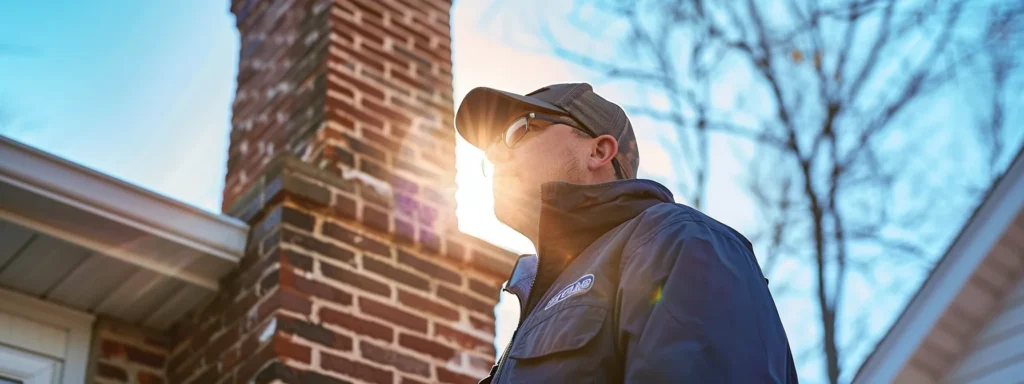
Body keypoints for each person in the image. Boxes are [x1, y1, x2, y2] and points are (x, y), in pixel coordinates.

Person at [455, 83, 799, 383]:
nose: (497, 154)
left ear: (598, 151)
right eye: (490, 151)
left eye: (518, 130)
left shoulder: (677, 241)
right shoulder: (534, 306)